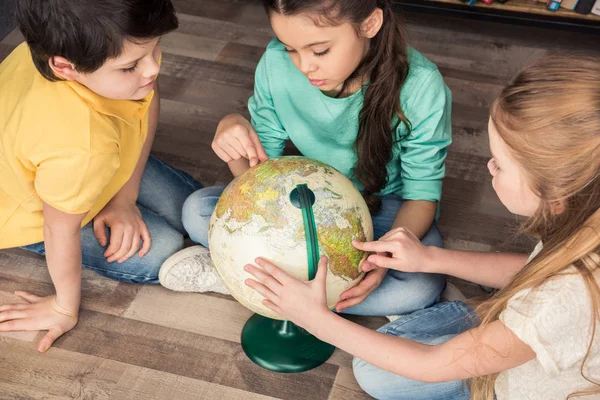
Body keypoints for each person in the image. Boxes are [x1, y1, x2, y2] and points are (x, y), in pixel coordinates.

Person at [244, 55, 600, 400]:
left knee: (373, 371)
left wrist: (314, 319)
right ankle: (484, 318)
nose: (489, 167)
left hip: (508, 386)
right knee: (386, 351)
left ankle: (482, 324)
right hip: (531, 330)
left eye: (500, 165)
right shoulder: (584, 222)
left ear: (556, 194)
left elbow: (431, 366)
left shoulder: (565, 298)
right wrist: (429, 258)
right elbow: (534, 271)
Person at [159, 0, 453, 319]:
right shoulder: (274, 63)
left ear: (369, 24)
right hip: (301, 194)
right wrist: (233, 131)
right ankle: (336, 299)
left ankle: (251, 287)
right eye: (290, 49)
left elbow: (421, 197)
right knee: (197, 210)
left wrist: (381, 262)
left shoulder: (422, 85)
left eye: (320, 50)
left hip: (385, 205)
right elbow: (256, 181)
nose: (303, 66)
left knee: (421, 285)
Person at [0, 0, 203, 352]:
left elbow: (147, 100)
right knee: (162, 250)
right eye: (131, 67)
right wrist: (64, 307)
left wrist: (124, 197)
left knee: (188, 205)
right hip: (35, 208)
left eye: (156, 49)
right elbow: (57, 227)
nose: (152, 69)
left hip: (89, 159)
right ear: (65, 67)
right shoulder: (81, 147)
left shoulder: (112, 52)